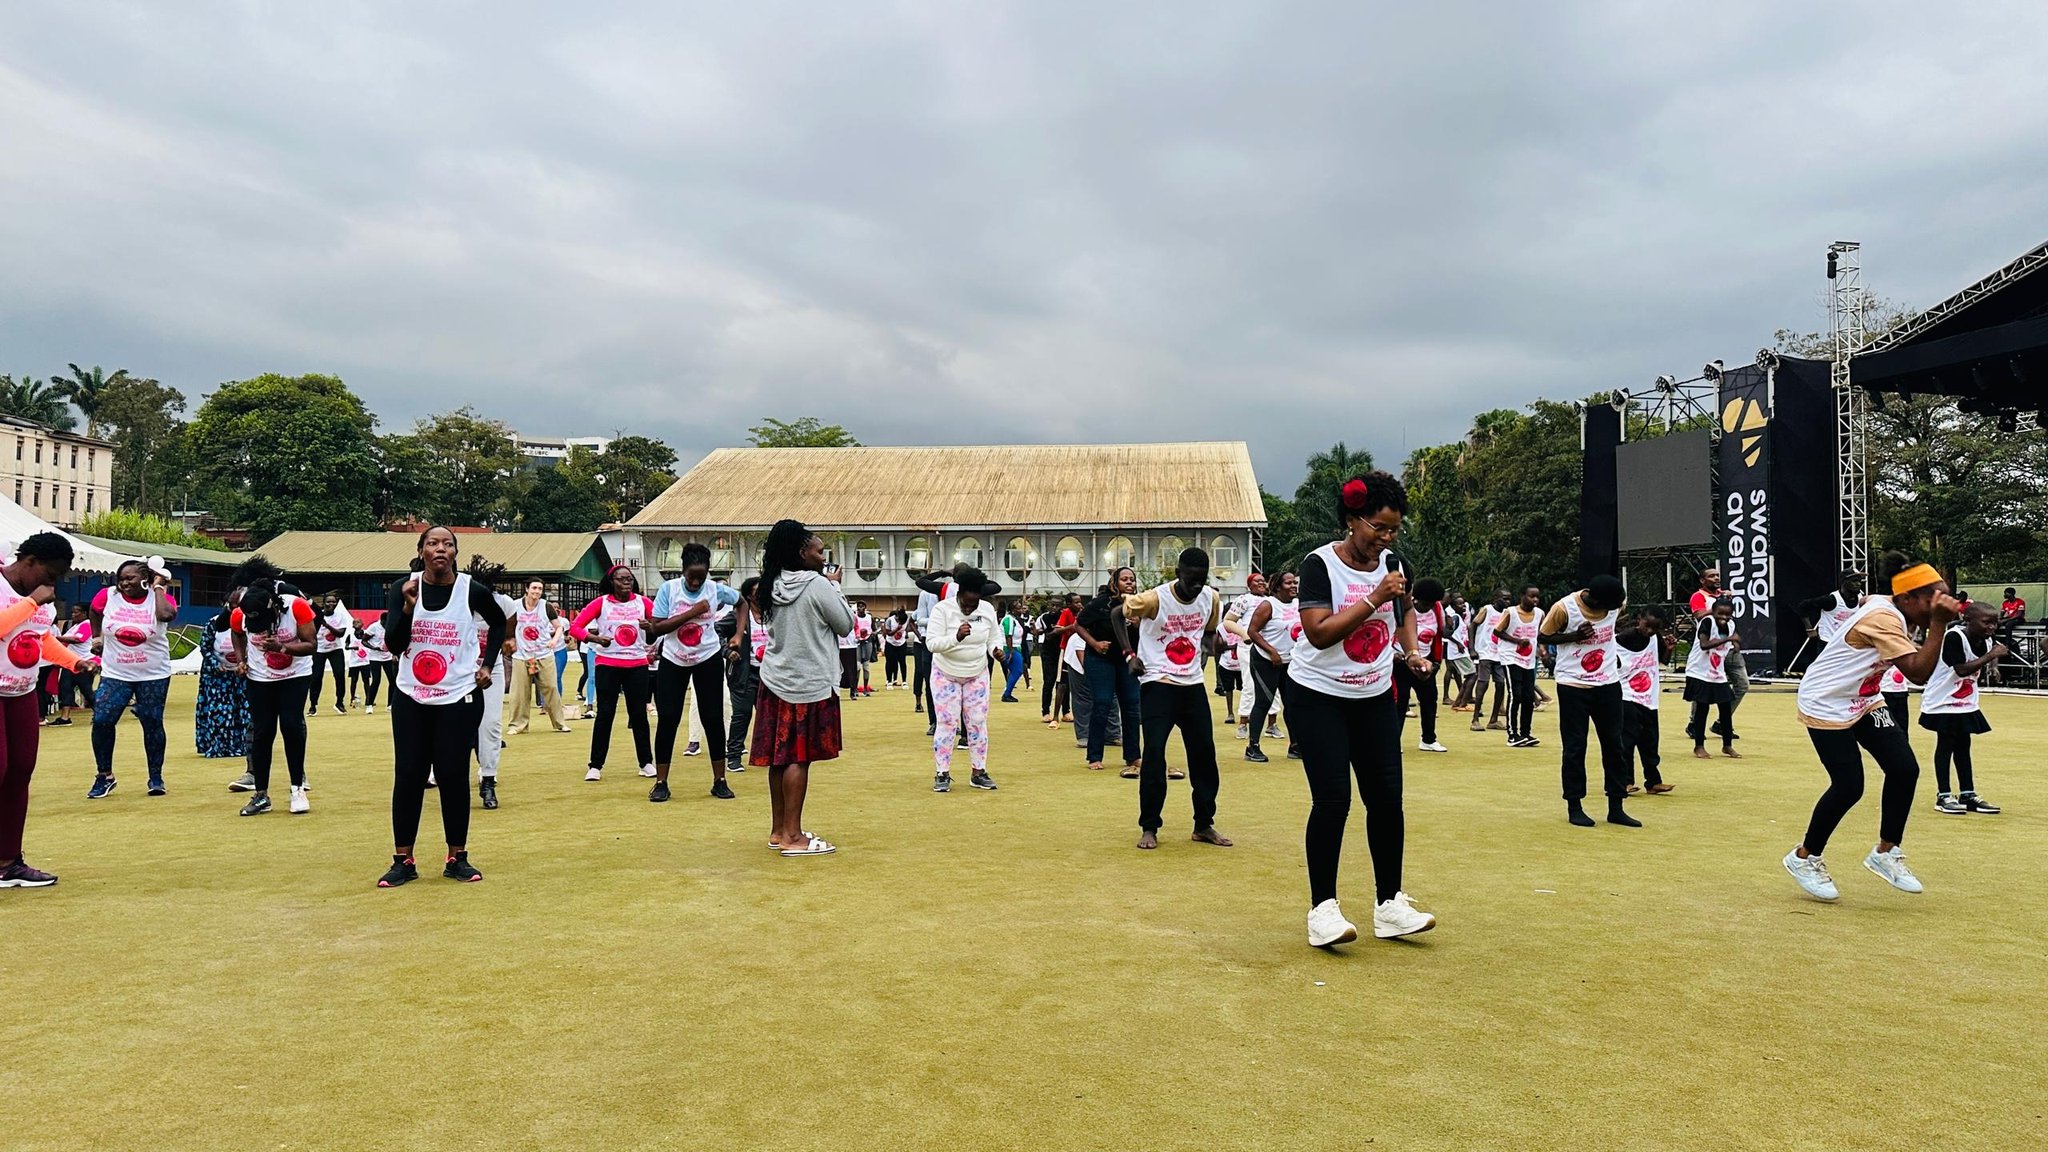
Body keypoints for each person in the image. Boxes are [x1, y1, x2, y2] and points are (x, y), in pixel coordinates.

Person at [1288, 473, 1436, 946]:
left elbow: (1406, 610)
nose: (1387, 538)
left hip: (1373, 695)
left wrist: (1411, 650)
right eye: (1379, 527)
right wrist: (1374, 597)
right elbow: (1319, 633)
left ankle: (1389, 905)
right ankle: (1322, 911)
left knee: (1387, 801)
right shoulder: (1319, 566)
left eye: (1395, 529)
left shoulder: (1394, 562)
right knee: (1333, 801)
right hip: (1317, 696)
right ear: (1352, 520)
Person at [1783, 552, 1958, 902]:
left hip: (1864, 697)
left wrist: (1931, 613)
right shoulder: (1885, 618)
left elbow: (1872, 598)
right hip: (1826, 700)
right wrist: (1939, 623)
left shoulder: (1891, 604)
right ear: (1907, 599)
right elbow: (1918, 673)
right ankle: (1803, 857)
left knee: (1904, 769)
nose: (1942, 605)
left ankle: (1885, 852)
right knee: (1849, 786)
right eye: (1932, 600)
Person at [377, 527, 505, 887]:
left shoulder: (471, 590)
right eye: (433, 543)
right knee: (409, 776)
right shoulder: (405, 587)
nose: (440, 549)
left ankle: (456, 857)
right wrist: (406, 606)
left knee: (452, 776)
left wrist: (486, 663)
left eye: (448, 544)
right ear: (421, 551)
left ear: (455, 553)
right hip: (411, 695)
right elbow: (394, 642)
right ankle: (403, 860)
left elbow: (498, 623)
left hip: (458, 696)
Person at [751, 519, 853, 857]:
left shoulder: (771, 583)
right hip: (809, 684)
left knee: (778, 760)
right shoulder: (817, 584)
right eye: (819, 551)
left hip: (774, 680)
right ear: (801, 552)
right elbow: (844, 624)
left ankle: (779, 830)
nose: (823, 558)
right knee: (799, 758)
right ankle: (795, 837)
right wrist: (834, 586)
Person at [1115, 549, 1226, 850]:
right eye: (1190, 580)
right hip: (1158, 683)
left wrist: (1213, 646)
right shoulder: (1154, 598)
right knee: (1154, 754)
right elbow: (1117, 614)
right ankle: (1149, 826)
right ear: (1178, 572)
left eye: (1201, 581)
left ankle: (1204, 824)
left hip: (1192, 684)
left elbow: (1208, 633)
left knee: (1204, 755)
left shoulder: (1211, 598)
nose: (1195, 587)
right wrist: (1129, 655)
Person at [0, 534, 92, 888]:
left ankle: (9, 861)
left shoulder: (44, 602)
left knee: (20, 770)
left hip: (21, 690)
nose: (52, 584)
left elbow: (41, 638)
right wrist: (31, 601)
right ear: (30, 561)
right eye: (50, 574)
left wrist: (73, 661)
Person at [1539, 574, 1637, 827]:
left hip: (1608, 683)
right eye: (1606, 607)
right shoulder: (1563, 609)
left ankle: (1616, 806)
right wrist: (1572, 636)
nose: (1611, 611)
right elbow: (1543, 636)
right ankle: (1575, 805)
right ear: (1593, 599)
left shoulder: (1615, 603)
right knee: (1575, 747)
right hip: (1573, 685)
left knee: (1615, 745)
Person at [648, 543, 742, 803]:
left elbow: (742, 602)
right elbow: (657, 628)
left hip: (707, 657)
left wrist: (737, 634)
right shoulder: (669, 590)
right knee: (668, 718)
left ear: (708, 572)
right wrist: (693, 612)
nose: (696, 581)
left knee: (713, 718)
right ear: (683, 571)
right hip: (674, 659)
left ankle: (720, 780)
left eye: (701, 577)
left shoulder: (715, 589)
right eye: (691, 576)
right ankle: (661, 782)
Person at [230, 566, 318, 816]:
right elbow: (237, 634)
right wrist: (240, 660)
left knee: (291, 725)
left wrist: (282, 647)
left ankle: (297, 788)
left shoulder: (296, 606)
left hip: (295, 675)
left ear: (274, 607)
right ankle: (261, 795)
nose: (256, 627)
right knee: (262, 731)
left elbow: (312, 645)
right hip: (260, 677)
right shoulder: (241, 613)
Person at [87, 557, 178, 799]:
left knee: (151, 722)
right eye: (121, 579)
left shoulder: (160, 599)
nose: (124, 583)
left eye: (130, 578)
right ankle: (104, 775)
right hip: (116, 672)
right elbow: (94, 612)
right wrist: (97, 638)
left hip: (153, 674)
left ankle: (155, 777)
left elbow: (167, 615)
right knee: (103, 719)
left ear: (146, 578)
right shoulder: (107, 596)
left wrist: (158, 587)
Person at [570, 566, 656, 782]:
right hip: (608, 664)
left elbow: (659, 627)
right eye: (621, 579)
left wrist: (650, 627)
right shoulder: (601, 603)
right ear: (611, 582)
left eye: (630, 579)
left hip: (637, 664)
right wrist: (595, 639)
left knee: (638, 715)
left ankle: (646, 762)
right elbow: (575, 627)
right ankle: (595, 766)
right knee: (605, 714)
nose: (627, 582)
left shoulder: (643, 602)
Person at [1922, 601, 2004, 816]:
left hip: (1966, 702)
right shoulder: (1954, 637)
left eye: (1995, 623)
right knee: (1946, 744)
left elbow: (1990, 653)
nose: (1992, 627)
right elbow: (1960, 669)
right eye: (1986, 622)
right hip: (1943, 700)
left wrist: (1994, 667)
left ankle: (1967, 794)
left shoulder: (1986, 640)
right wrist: (1990, 657)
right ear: (1968, 620)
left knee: (1963, 745)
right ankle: (1943, 795)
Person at [925, 564, 1002, 793]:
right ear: (958, 595)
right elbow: (932, 644)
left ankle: (978, 772)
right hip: (945, 673)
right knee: (947, 723)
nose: (970, 608)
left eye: (974, 603)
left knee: (977, 722)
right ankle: (942, 773)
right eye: (966, 603)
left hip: (976, 673)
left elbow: (993, 637)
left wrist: (996, 650)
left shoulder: (987, 610)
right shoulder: (943, 610)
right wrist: (956, 637)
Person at [464, 558, 518, 811]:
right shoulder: (458, 603)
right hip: (459, 672)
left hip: (492, 669)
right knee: (451, 724)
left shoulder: (504, 604)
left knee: (491, 724)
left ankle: (488, 778)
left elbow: (508, 634)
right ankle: (438, 771)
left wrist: (509, 641)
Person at [1078, 567, 1143, 776]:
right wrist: (1095, 644)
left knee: (1132, 704)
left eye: (1132, 579)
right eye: (1124, 579)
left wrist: (1137, 624)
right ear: (1114, 583)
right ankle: (1095, 756)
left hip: (1127, 661)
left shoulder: (1139, 604)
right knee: (1103, 703)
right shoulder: (1101, 603)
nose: (1129, 583)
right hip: (1100, 659)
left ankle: (1133, 755)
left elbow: (1149, 632)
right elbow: (1078, 625)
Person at [1241, 570, 1300, 763]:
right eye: (1288, 583)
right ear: (1277, 587)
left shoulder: (1298, 604)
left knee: (1292, 704)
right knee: (1264, 702)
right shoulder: (1269, 605)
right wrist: (1272, 651)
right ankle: (1252, 747)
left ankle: (1295, 745)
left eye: (1294, 583)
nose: (1293, 586)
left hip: (1289, 662)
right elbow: (1252, 631)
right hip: (1265, 660)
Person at [1617, 607, 1674, 796]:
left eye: (1655, 628)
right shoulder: (1622, 638)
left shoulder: (1654, 638)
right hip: (1626, 695)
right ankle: (1625, 781)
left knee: (1650, 740)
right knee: (1628, 739)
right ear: (1639, 619)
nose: (1650, 631)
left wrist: (1669, 650)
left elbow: (1662, 661)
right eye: (1647, 626)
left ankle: (1653, 782)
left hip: (1649, 698)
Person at [505, 578, 570, 737]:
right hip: (522, 655)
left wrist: (554, 640)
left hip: (543, 654)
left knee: (551, 688)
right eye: (534, 588)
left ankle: (559, 723)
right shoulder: (514, 606)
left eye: (540, 589)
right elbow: (507, 625)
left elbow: (559, 626)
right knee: (520, 692)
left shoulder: (546, 606)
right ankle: (517, 725)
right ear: (526, 589)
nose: (537, 591)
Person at [1689, 567, 1746, 743]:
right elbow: (1699, 616)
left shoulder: (1723, 595)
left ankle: (1721, 722)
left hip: (1727, 647)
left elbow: (1728, 616)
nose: (1716, 578)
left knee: (1742, 684)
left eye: (1717, 575)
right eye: (1711, 576)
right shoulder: (1699, 596)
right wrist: (1718, 605)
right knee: (1703, 689)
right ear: (1702, 580)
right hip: (1710, 649)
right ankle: (1694, 723)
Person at [197, 589, 253, 763]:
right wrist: (216, 665)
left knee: (243, 711)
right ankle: (219, 746)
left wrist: (245, 664)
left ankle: (242, 746)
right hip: (217, 676)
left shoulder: (251, 623)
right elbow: (205, 648)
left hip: (242, 675)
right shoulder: (213, 623)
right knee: (220, 712)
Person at [1684, 597, 1741, 759]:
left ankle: (1727, 745)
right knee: (1702, 708)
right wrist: (1729, 639)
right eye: (1720, 614)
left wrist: (1736, 645)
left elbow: (1735, 640)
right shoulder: (1707, 622)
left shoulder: (1731, 625)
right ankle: (1699, 745)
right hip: (1699, 671)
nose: (1723, 618)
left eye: (1727, 614)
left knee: (1725, 707)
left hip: (1717, 672)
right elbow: (1704, 644)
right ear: (1713, 612)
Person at [1400, 577, 1449, 754]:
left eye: (1431, 603)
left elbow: (1439, 635)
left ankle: (1428, 739)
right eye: (1424, 603)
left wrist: (1435, 662)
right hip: (1401, 660)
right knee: (1400, 701)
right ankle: (1393, 740)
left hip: (1425, 662)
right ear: (1415, 598)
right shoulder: (1403, 608)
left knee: (1429, 700)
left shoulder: (1437, 609)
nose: (1427, 607)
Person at [723, 577, 766, 781]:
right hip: (744, 673)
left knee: (767, 715)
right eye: (757, 590)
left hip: (771, 673)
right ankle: (733, 756)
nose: (761, 593)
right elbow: (715, 630)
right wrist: (727, 650)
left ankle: (766, 752)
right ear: (749, 594)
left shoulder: (773, 615)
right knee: (742, 714)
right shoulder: (738, 616)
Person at [1490, 585, 1542, 749]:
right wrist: (1517, 641)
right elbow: (1497, 631)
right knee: (1515, 694)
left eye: (1537, 597)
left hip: (1529, 659)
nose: (1534, 600)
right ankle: (1513, 735)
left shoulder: (1539, 614)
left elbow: (1540, 632)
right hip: (1511, 657)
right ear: (1522, 596)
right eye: (1531, 596)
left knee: (1528, 696)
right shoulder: (1511, 612)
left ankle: (1526, 733)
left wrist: (1542, 648)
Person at [1223, 572, 1270, 740]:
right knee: (1249, 684)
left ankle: (1272, 724)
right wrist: (1244, 635)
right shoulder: (1244, 600)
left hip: (1269, 648)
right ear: (1249, 585)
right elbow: (1228, 621)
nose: (1262, 583)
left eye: (1263, 581)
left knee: (1273, 687)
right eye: (1257, 581)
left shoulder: (1271, 601)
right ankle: (1243, 722)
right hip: (1248, 647)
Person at [1466, 590, 1511, 732]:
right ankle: (1475, 719)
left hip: (1500, 653)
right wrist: (1472, 648)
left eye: (1509, 599)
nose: (1508, 602)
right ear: (1496, 599)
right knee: (1483, 683)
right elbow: (1472, 625)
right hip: (1485, 652)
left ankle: (1494, 719)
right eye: (1505, 599)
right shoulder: (1487, 609)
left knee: (1500, 684)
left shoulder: (1508, 613)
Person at [307, 591, 353, 716]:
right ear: (324, 603)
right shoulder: (317, 616)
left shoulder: (340, 616)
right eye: (329, 601)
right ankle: (313, 705)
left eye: (334, 601)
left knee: (339, 675)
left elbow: (341, 633)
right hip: (319, 650)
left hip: (335, 649)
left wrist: (326, 625)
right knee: (316, 677)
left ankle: (339, 702)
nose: (331, 603)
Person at [51, 604, 95, 726]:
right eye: (72, 612)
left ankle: (101, 713)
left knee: (87, 691)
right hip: (70, 663)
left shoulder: (87, 624)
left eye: (77, 612)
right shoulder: (75, 626)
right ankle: (65, 718)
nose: (73, 615)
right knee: (65, 689)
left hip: (83, 663)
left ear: (85, 613)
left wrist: (54, 638)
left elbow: (77, 640)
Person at [1039, 597, 1077, 724]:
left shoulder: (1066, 615)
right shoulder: (1044, 617)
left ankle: (1066, 711)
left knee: (1064, 682)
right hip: (1048, 653)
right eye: (1052, 605)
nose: (1054, 608)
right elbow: (1048, 635)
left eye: (1057, 606)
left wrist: (1061, 630)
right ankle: (1045, 712)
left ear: (1062, 607)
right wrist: (1056, 631)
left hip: (1064, 651)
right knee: (1049, 681)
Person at [1442, 593, 1474, 711]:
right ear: (1453, 606)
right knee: (1473, 675)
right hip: (1457, 652)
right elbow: (1446, 633)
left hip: (1461, 651)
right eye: (1459, 604)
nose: (1463, 606)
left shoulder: (1459, 618)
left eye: (1463, 604)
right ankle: (1463, 703)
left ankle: (1458, 702)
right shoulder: (1455, 617)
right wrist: (1458, 643)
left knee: (1468, 675)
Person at [359, 610, 393, 714]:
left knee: (392, 680)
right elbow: (364, 641)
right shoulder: (374, 627)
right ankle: (369, 704)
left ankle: (390, 704)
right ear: (382, 620)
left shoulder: (391, 626)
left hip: (387, 657)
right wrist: (374, 648)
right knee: (376, 680)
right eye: (386, 622)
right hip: (375, 658)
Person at [997, 605, 1025, 703]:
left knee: (1014, 671)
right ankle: (1007, 693)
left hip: (1015, 647)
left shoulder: (1014, 619)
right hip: (1009, 648)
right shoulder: (1009, 619)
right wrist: (1011, 651)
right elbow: (1008, 635)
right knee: (1017, 671)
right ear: (1012, 610)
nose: (1020, 610)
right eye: (1018, 608)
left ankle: (1007, 692)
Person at [882, 609, 909, 690]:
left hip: (901, 643)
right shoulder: (890, 620)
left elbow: (907, 628)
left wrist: (906, 633)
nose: (901, 623)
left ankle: (904, 681)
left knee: (902, 662)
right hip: (891, 643)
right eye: (900, 621)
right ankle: (889, 681)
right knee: (890, 662)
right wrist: (897, 629)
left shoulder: (905, 620)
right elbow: (888, 633)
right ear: (897, 618)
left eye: (903, 622)